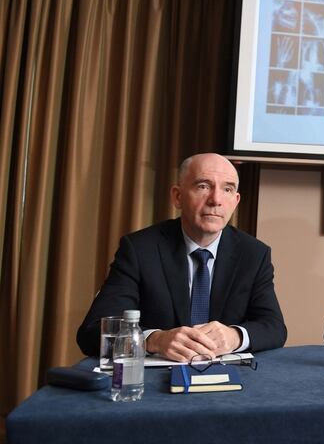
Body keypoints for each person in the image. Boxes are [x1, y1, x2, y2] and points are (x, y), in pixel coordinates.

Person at [76, 153, 287, 362]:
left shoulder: (254, 254)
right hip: (157, 382)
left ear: (236, 201)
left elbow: (274, 328)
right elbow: (92, 332)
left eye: (227, 189)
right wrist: (154, 340)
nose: (216, 200)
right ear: (177, 197)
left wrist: (235, 336)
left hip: (228, 381)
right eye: (203, 186)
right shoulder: (140, 249)